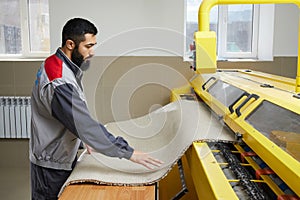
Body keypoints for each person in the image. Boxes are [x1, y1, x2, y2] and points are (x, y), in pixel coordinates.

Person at [30, 18, 163, 200]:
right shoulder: (59, 81)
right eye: (88, 46)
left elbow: (66, 116)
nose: (92, 52)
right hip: (51, 165)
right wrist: (128, 152)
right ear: (70, 44)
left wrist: (86, 141)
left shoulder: (57, 64)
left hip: (55, 155)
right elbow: (83, 123)